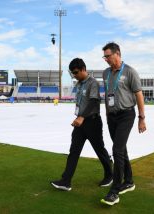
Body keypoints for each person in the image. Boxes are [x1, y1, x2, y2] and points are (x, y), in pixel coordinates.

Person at [51, 58, 113, 191]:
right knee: (74, 151)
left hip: (92, 122)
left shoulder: (93, 83)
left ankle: (110, 175)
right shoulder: (78, 84)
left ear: (84, 69)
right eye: (72, 73)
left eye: (76, 72)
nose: (74, 75)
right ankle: (66, 181)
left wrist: (81, 117)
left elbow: (93, 102)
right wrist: (79, 118)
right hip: (80, 123)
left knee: (100, 150)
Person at [100, 42, 147, 206]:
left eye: (108, 56)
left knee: (117, 149)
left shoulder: (130, 72)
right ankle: (129, 181)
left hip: (126, 114)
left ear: (117, 54)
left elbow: (139, 95)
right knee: (121, 149)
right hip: (112, 117)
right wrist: (107, 114)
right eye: (104, 56)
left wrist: (142, 118)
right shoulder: (105, 73)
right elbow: (107, 94)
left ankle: (115, 191)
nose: (105, 59)